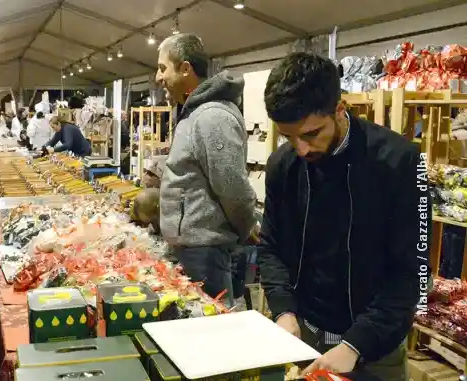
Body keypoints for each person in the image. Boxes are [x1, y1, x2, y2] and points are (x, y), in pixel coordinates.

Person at [258, 52, 425, 379]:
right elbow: (271, 247)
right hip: (304, 338)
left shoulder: (398, 162)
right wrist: (283, 310)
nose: (301, 149)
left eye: (311, 134)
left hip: (375, 350)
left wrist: (356, 344)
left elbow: (410, 273)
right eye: (289, 137)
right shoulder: (283, 165)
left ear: (339, 109)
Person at [155, 33, 256, 306]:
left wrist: (243, 231)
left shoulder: (211, 116)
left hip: (206, 254)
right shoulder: (193, 113)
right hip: (196, 250)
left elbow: (232, 187)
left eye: (163, 68)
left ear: (186, 69)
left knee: (208, 334)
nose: (157, 77)